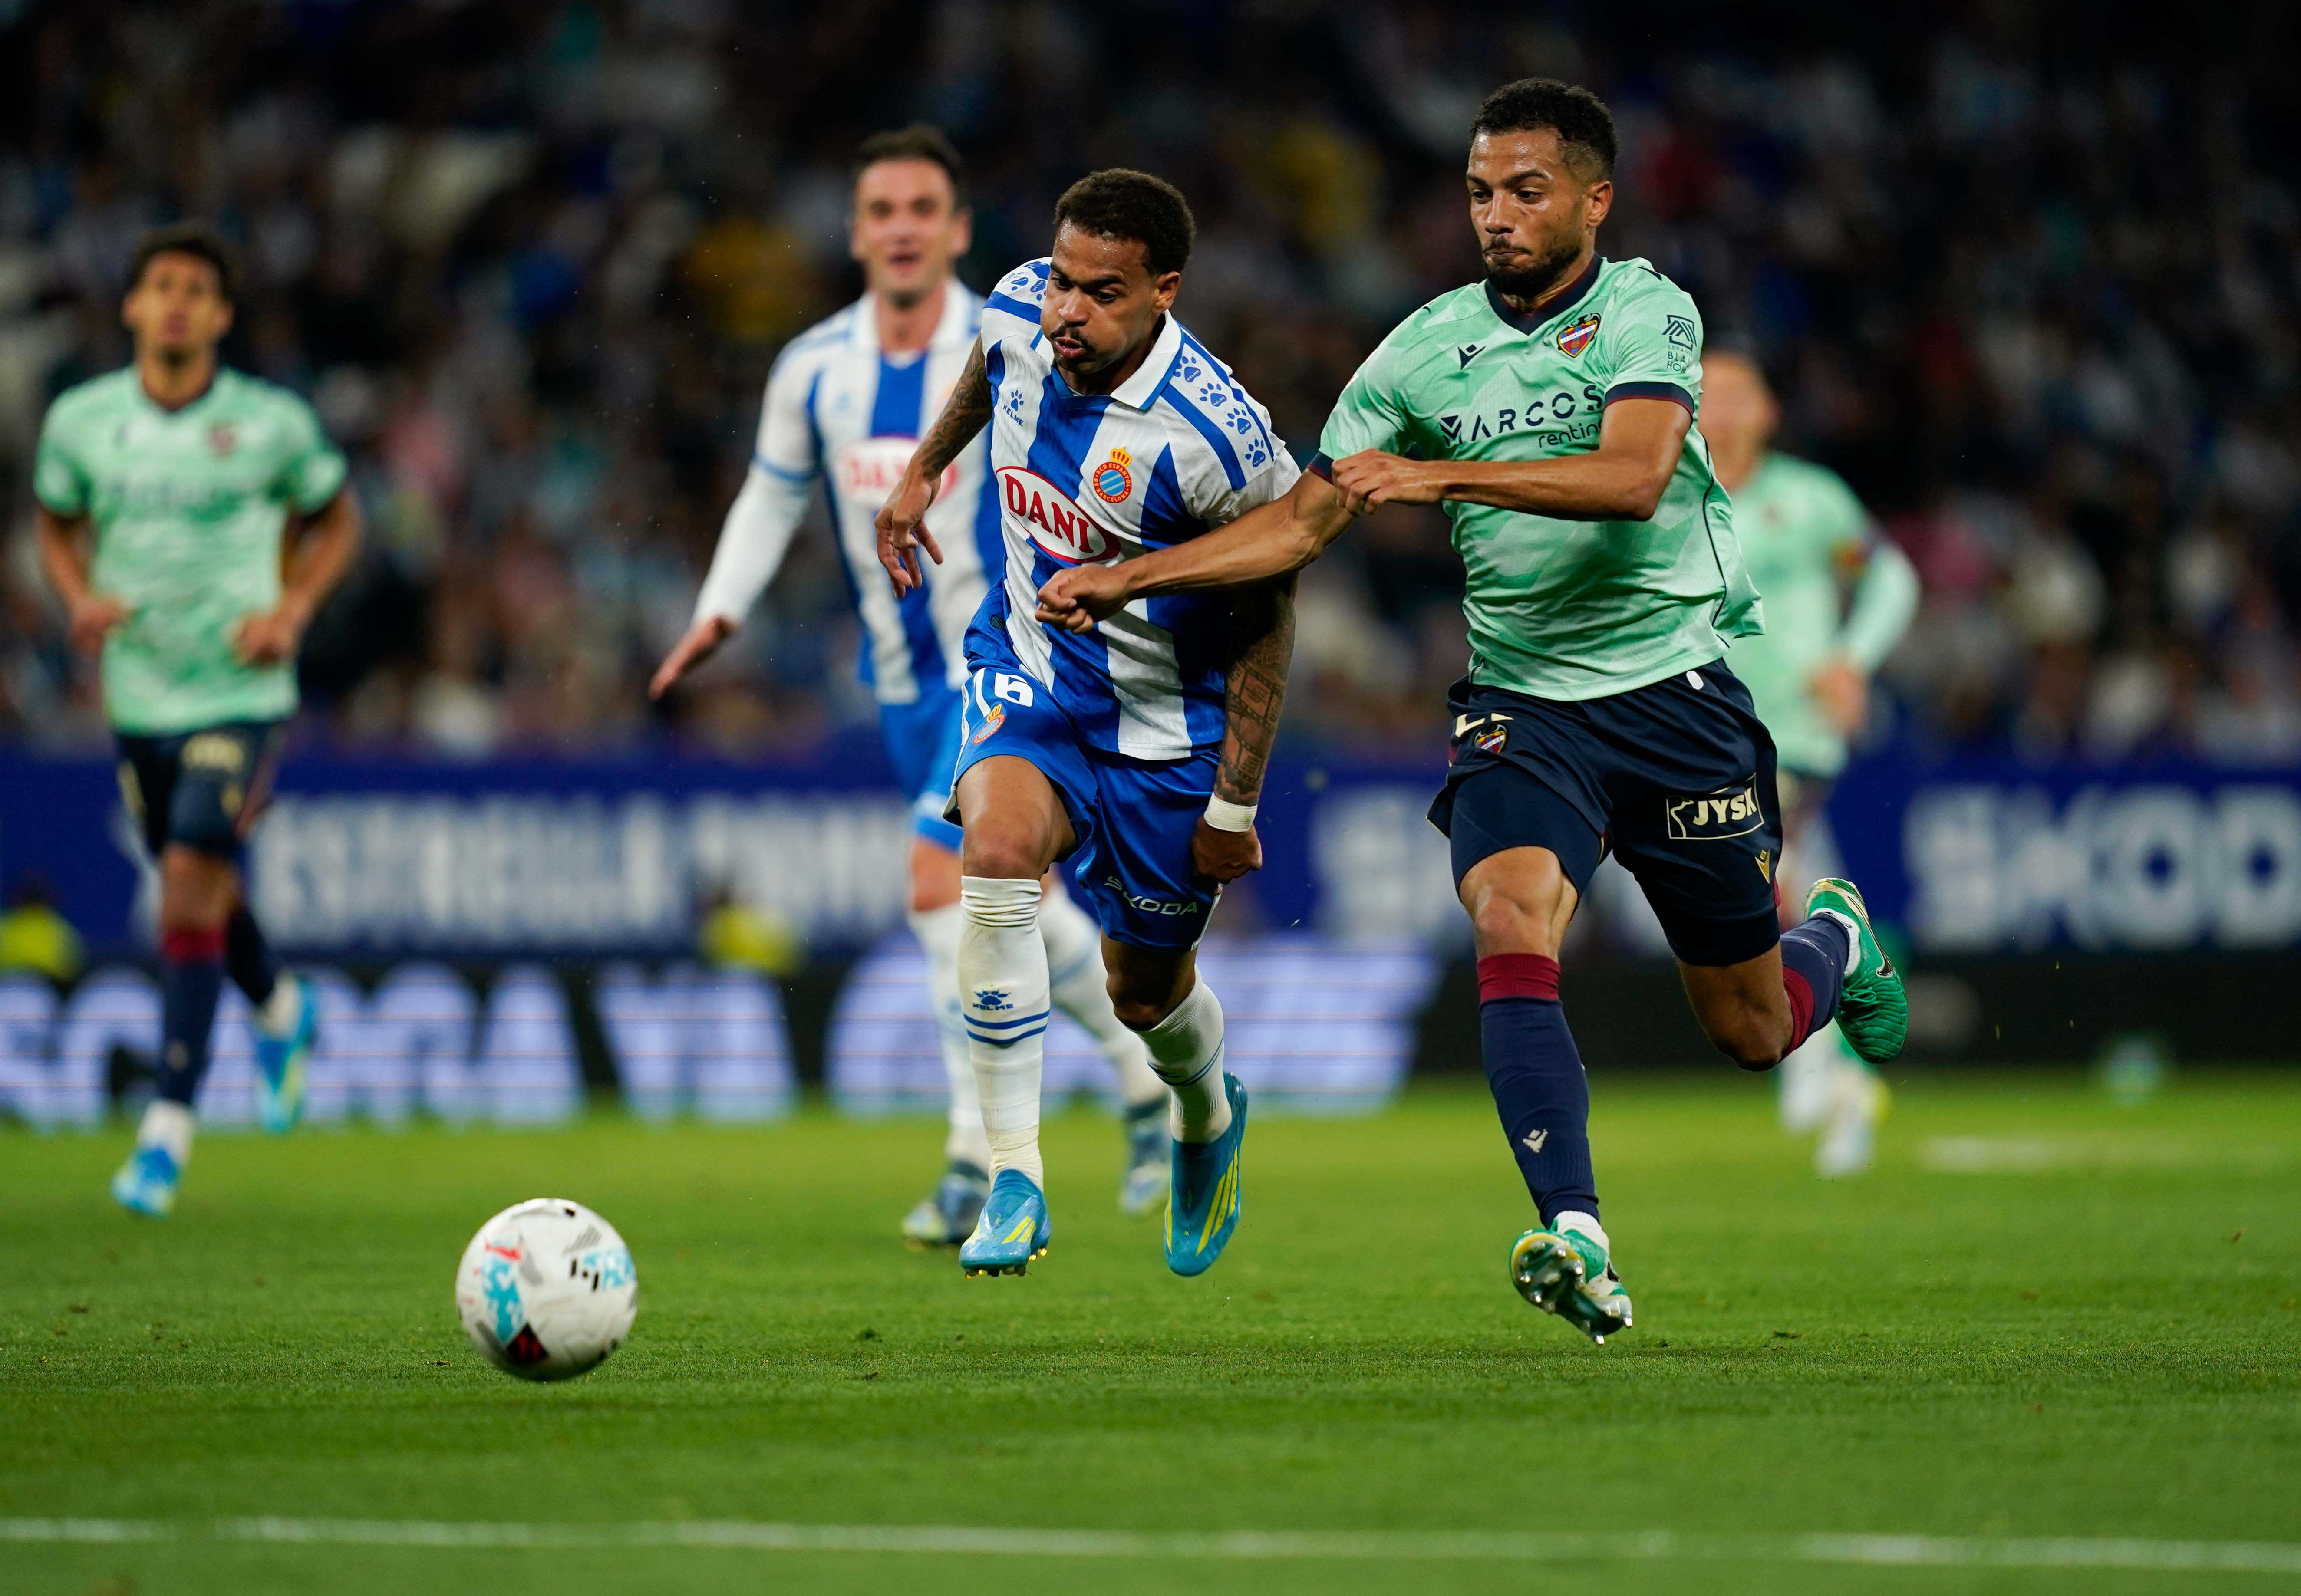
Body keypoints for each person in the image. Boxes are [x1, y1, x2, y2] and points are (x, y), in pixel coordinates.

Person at [1033, 82, 1908, 1341]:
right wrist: (1134, 571)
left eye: (1526, 190)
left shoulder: (1647, 312)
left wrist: (1436, 471)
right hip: (1522, 706)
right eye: (1479, 192)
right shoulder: (1420, 348)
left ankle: (1832, 935)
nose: (1494, 214)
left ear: (1593, 200)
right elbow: (1301, 521)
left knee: (1754, 1026)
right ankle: (1576, 1231)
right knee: (1507, 911)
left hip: (1674, 699)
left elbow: (1633, 476)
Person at [650, 128, 1171, 1245]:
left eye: (921, 208)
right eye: (880, 208)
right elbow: (768, 497)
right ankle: (1137, 1088)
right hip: (897, 683)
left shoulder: (1020, 337)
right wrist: (719, 612)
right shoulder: (814, 370)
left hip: (1009, 662)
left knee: (943, 892)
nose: (899, 227)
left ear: (957, 229)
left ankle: (975, 1161)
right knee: (1007, 911)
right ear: (855, 230)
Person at [877, 168, 1300, 1280]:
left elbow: (1268, 614)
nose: (1068, 310)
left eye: (1101, 293)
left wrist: (1234, 800)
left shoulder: (1216, 437)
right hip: (1032, 671)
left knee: (1142, 994)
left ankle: (1206, 1117)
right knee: (999, 848)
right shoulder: (1023, 307)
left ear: (1164, 291)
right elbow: (989, 362)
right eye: (1064, 280)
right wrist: (924, 472)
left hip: (1166, 732)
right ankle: (1015, 1176)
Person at [34, 223, 359, 1217]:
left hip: (241, 692)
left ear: (220, 316)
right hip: (140, 697)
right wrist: (77, 596)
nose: (176, 302)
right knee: (199, 879)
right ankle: (280, 1007)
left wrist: (293, 609)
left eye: (196, 290)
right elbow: (55, 518)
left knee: (186, 881)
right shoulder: (82, 421)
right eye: (160, 286)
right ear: (132, 305)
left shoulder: (271, 423)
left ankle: (165, 1134)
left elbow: (337, 515)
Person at [1700, 348, 1921, 1178]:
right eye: (1705, 394)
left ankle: (1825, 1061)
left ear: (1767, 413)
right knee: (1773, 889)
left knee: (1772, 881)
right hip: (1706, 729)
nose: (1719, 410)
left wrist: (1853, 659)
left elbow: (1891, 575)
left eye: (1736, 395)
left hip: (1794, 731)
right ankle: (1837, 1045)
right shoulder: (1670, 492)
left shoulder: (1812, 500)